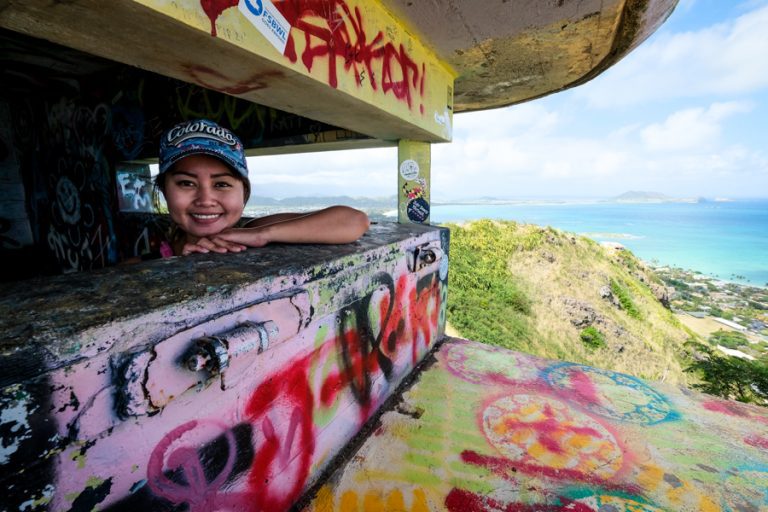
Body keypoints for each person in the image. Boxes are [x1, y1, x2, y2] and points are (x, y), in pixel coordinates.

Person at [154, 119, 369, 257]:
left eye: (221, 184)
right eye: (186, 183)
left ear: (244, 193)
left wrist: (261, 235)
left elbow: (355, 221)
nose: (205, 199)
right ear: (165, 190)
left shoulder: (254, 231)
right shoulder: (149, 261)